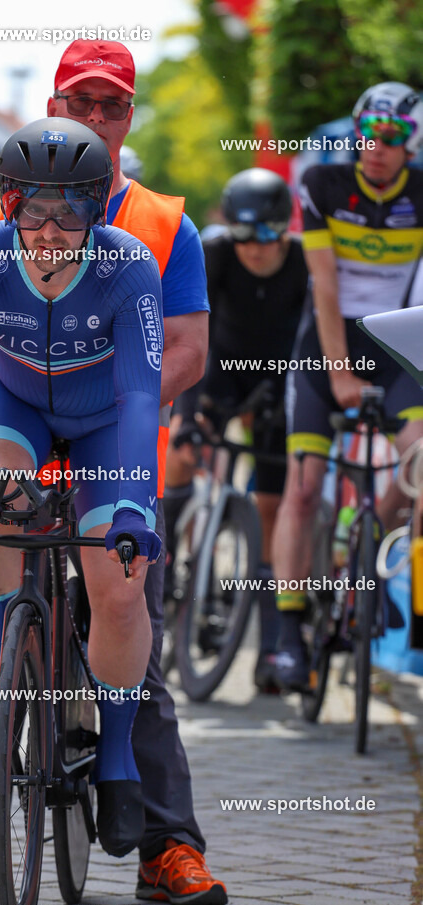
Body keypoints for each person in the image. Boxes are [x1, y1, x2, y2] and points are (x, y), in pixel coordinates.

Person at [0, 40, 226, 905]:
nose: (94, 116)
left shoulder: (164, 224)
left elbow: (188, 352)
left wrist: (91, 403)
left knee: (126, 604)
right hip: (13, 415)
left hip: (111, 427)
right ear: (48, 104)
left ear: (128, 117)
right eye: (78, 101)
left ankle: (167, 845)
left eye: (111, 104)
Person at [272, 81, 423, 691]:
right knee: (304, 486)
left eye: (392, 138)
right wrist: (337, 370)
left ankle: (379, 573)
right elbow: (325, 289)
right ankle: (286, 631)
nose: (377, 147)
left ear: (411, 144)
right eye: (368, 133)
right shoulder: (324, 186)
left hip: (397, 345)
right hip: (327, 346)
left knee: (417, 465)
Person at [163, 169, 308, 692]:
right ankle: (164, 556)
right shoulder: (214, 252)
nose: (254, 247)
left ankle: (271, 651)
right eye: (243, 234)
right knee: (180, 452)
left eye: (266, 234)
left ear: (284, 230)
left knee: (270, 510)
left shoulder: (303, 263)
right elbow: (189, 329)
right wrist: (189, 410)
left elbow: (308, 337)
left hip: (276, 386)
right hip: (216, 374)